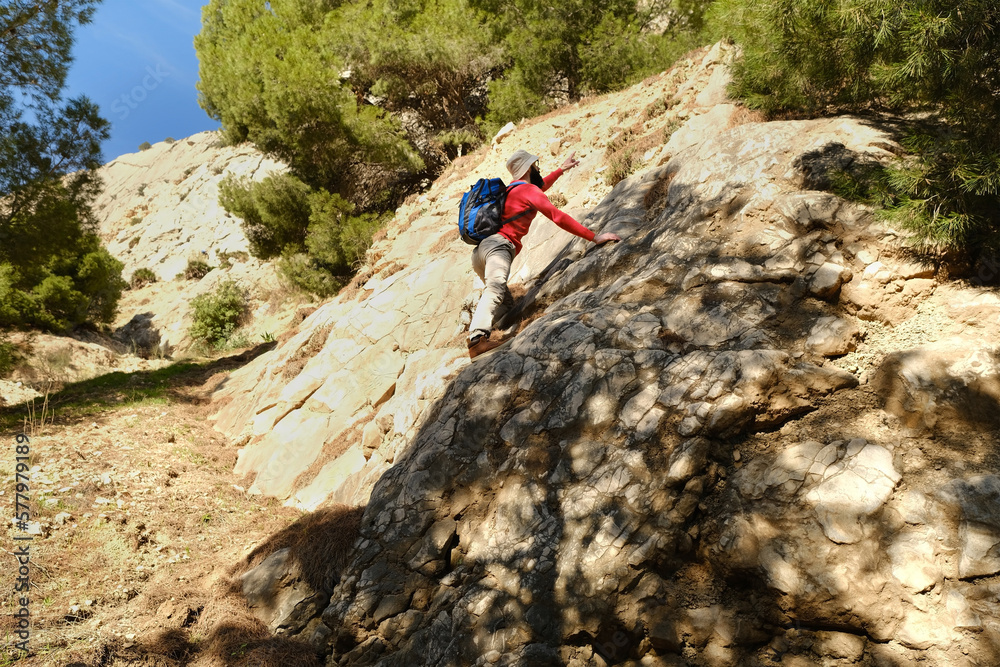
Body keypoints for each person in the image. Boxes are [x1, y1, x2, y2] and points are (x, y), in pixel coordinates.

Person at [468, 148, 621, 358]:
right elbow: (557, 217)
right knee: (495, 289)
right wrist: (595, 237)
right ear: (529, 167)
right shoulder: (528, 192)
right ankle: (477, 341)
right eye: (534, 165)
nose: (537, 168)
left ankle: (492, 332)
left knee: (508, 310)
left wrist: (561, 170)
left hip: (480, 252)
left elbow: (539, 188)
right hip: (498, 248)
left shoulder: (511, 190)